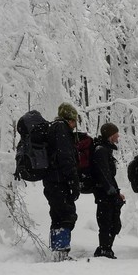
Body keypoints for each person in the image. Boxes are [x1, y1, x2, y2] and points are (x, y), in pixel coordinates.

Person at [43, 102, 80, 260]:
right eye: (74, 121)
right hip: (60, 181)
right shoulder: (62, 129)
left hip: (51, 181)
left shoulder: (52, 128)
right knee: (66, 215)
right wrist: (73, 181)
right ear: (70, 119)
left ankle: (58, 251)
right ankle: (60, 252)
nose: (75, 125)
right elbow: (66, 158)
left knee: (57, 214)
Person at [91, 122, 125, 259]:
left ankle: (105, 248)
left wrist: (116, 192)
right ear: (111, 135)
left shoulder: (105, 150)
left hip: (107, 193)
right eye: (116, 133)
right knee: (107, 223)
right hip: (104, 194)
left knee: (113, 223)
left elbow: (108, 176)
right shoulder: (101, 151)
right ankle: (105, 249)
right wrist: (113, 193)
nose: (118, 136)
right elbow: (104, 175)